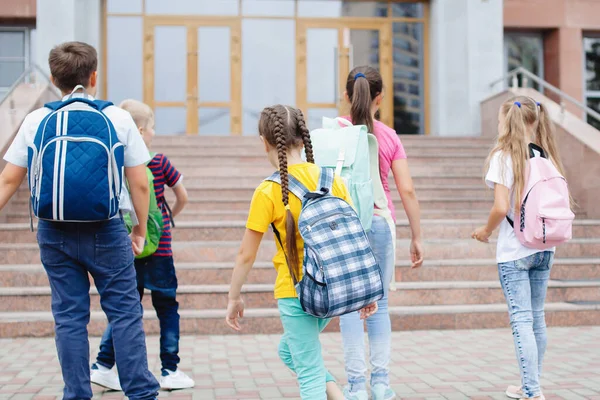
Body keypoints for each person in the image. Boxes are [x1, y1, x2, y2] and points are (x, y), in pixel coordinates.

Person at [0, 42, 159, 400]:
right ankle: (141, 393)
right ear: (94, 77)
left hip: (54, 230)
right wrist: (138, 226)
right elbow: (139, 182)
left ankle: (76, 393)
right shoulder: (117, 118)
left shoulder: (37, 120)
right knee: (124, 313)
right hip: (107, 227)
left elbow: (9, 179)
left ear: (54, 79)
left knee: (70, 317)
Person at [225, 105, 377, 400]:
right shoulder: (331, 179)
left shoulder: (268, 190)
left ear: (264, 141)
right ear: (303, 137)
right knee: (290, 351)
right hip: (330, 291)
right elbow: (354, 237)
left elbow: (246, 254)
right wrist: (367, 291)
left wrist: (234, 297)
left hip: (295, 292)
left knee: (307, 372)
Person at [90, 99, 192, 390]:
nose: (153, 134)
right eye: (151, 129)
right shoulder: (158, 163)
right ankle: (170, 370)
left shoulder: (115, 163)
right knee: (167, 309)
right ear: (139, 130)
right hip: (158, 249)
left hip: (126, 248)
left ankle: (104, 364)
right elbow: (183, 196)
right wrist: (169, 219)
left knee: (125, 308)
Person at [472, 96, 567, 400]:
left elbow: (501, 207)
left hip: (515, 250)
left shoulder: (504, 156)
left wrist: (485, 231)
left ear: (507, 122)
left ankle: (532, 390)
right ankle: (531, 385)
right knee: (537, 318)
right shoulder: (545, 155)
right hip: (544, 245)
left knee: (522, 320)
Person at [338, 66, 423, 400]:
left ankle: (356, 387)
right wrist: (417, 236)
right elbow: (407, 190)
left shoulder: (334, 133)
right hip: (378, 223)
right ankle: (382, 385)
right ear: (380, 98)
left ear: (346, 96)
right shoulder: (388, 135)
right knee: (381, 305)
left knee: (348, 307)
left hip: (345, 227)